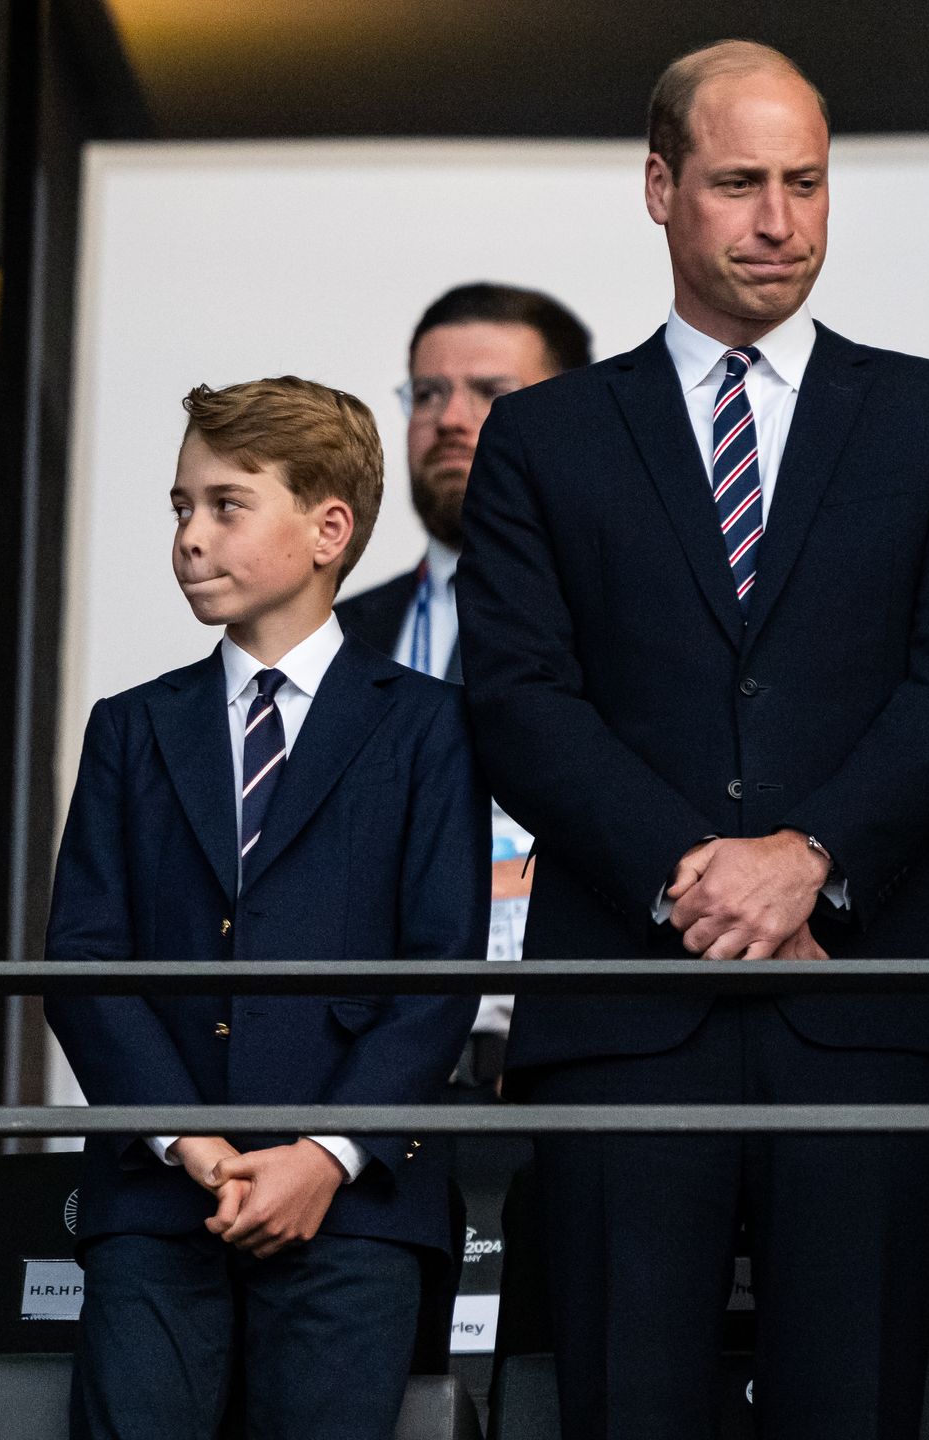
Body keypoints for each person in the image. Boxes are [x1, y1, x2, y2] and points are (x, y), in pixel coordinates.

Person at [456, 39, 929, 1440]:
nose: (779, 220)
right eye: (738, 183)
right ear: (660, 188)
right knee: (622, 1409)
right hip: (628, 1014)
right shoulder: (542, 437)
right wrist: (693, 873)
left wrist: (812, 857)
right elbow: (520, 696)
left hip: (868, 1000)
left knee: (859, 1407)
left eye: (806, 183)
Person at [45, 376, 489, 1440]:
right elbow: (84, 961)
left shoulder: (430, 726)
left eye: (225, 504)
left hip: (357, 1200)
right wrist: (191, 1142)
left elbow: (442, 973)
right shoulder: (130, 728)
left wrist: (321, 1153)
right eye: (178, 508)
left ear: (329, 527)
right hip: (161, 1197)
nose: (190, 537)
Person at [336, 282, 592, 1076]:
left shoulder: (641, 623)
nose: (450, 418)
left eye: (491, 392)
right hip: (369, 1062)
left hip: (574, 1050)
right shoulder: (335, 635)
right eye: (428, 393)